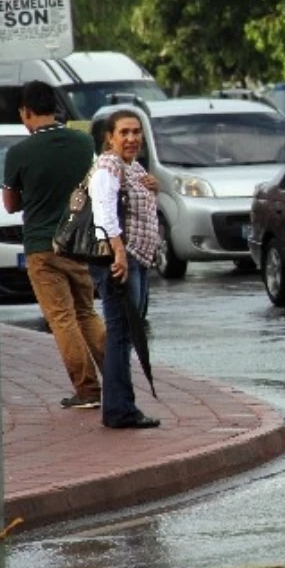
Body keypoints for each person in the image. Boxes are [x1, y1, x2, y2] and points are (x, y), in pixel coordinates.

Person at [3, 81, 106, 409]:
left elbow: (9, 203)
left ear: (26, 112)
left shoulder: (19, 152)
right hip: (78, 240)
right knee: (87, 311)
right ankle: (117, 378)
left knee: (62, 318)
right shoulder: (83, 142)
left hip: (41, 246)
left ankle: (87, 390)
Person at [88, 109, 162, 429]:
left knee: (128, 334)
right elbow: (104, 211)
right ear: (110, 137)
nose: (131, 138)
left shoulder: (132, 168)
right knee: (120, 334)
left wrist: (151, 187)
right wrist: (118, 252)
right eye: (124, 133)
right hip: (120, 259)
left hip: (137, 258)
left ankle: (122, 406)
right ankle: (119, 410)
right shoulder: (108, 165)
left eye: (136, 132)